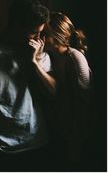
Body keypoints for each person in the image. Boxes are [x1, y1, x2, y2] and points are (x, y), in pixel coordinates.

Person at [0, 0, 56, 171]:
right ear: (16, 26)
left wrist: (34, 63)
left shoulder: (38, 51)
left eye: (41, 32)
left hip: (39, 143)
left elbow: (52, 92)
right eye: (34, 32)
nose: (39, 38)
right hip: (5, 150)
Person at [44, 12, 92, 171]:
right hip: (60, 127)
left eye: (45, 34)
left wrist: (76, 138)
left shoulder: (76, 59)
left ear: (56, 36)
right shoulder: (49, 57)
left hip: (77, 130)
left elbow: (84, 103)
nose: (40, 38)